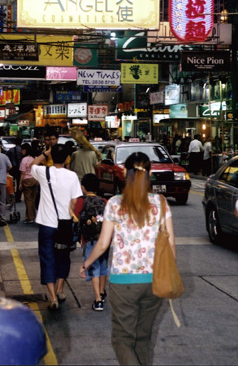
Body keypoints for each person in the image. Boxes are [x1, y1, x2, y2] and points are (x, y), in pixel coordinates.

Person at [79, 152, 176, 365]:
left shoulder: (114, 203)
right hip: (154, 281)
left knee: (122, 340)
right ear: (149, 173)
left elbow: (103, 243)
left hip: (124, 283)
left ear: (125, 173)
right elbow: (170, 247)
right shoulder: (160, 203)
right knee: (142, 338)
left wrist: (86, 263)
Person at [31, 144, 82, 310]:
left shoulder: (43, 172)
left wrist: (45, 153)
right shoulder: (72, 176)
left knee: (47, 259)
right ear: (68, 158)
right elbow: (75, 201)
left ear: (52, 157)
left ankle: (52, 297)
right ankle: (60, 289)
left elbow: (32, 165)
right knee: (63, 257)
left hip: (47, 224)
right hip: (65, 223)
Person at [74, 174, 109, 311]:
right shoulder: (105, 201)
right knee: (103, 266)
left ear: (83, 188)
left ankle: (98, 300)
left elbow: (76, 219)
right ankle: (101, 291)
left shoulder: (81, 202)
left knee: (93, 267)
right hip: (105, 240)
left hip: (89, 240)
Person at [19, 142, 38, 224]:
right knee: (33, 199)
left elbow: (23, 173)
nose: (21, 152)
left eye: (22, 150)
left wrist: (20, 183)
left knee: (28, 200)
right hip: (35, 179)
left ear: (25, 150)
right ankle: (33, 216)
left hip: (27, 180)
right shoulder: (35, 158)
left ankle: (30, 217)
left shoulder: (24, 160)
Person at [7, 137, 23, 202]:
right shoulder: (22, 150)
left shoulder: (11, 150)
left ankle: (11, 195)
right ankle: (18, 197)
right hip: (20, 168)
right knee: (20, 182)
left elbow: (7, 157)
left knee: (12, 182)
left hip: (13, 168)